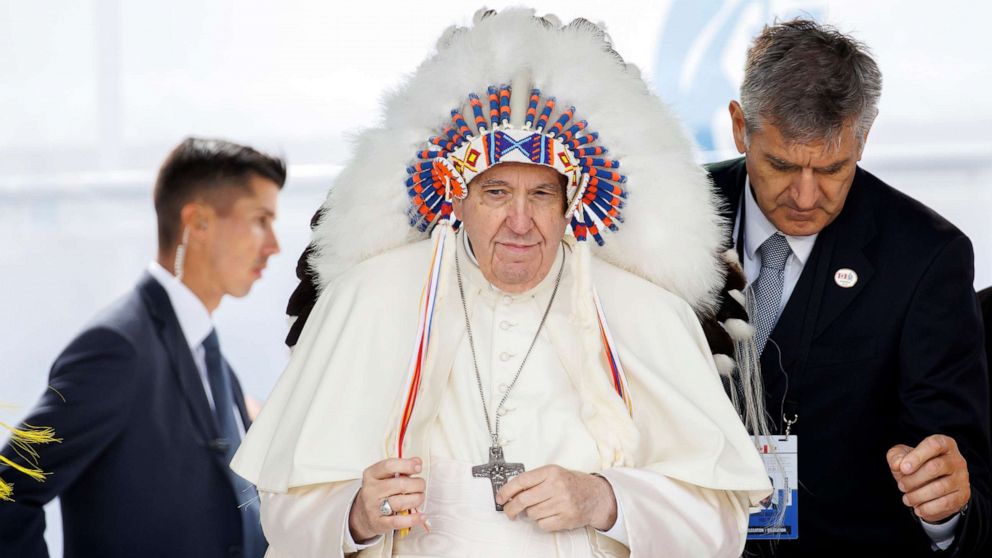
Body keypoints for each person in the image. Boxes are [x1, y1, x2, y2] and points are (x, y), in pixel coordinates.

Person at [231, 8, 771, 558]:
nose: (519, 221)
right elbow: (285, 511)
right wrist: (356, 515)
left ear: (571, 204)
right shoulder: (369, 298)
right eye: (494, 193)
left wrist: (605, 500)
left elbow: (720, 525)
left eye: (541, 194)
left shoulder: (644, 311)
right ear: (457, 197)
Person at [707, 18, 991, 556]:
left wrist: (945, 506)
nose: (806, 196)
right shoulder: (669, 214)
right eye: (782, 165)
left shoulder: (926, 257)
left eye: (833, 168)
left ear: (865, 136)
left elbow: (961, 471)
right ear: (740, 127)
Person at [0, 137, 285, 558]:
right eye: (260, 219)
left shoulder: (211, 358)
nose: (274, 245)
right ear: (199, 223)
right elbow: (9, 489)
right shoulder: (117, 348)